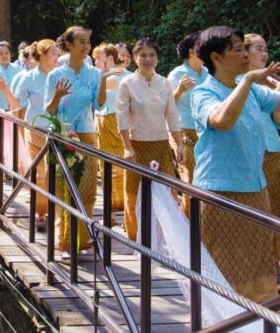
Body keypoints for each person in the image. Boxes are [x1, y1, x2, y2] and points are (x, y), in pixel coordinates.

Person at [190, 26, 280, 302]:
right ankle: (224, 321)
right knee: (226, 263)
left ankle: (256, 319)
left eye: (245, 48)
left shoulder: (253, 92)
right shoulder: (203, 92)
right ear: (216, 58)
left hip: (256, 189)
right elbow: (221, 121)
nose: (245, 55)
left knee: (257, 262)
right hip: (221, 192)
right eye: (237, 50)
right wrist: (246, 82)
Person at [44, 26, 109, 259]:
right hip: (64, 134)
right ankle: (66, 241)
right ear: (69, 45)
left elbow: (100, 105)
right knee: (65, 189)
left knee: (89, 189)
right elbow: (49, 111)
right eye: (81, 42)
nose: (86, 47)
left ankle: (83, 238)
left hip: (88, 134)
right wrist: (58, 96)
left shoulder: (93, 74)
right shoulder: (55, 75)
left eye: (88, 42)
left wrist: (102, 79)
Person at [116, 39, 186, 240]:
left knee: (167, 192)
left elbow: (172, 114)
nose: (147, 59)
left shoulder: (164, 83)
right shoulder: (127, 83)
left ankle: (164, 236)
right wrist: (127, 147)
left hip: (161, 144)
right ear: (135, 58)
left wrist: (179, 143)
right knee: (134, 192)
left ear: (157, 57)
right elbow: (120, 116)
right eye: (143, 55)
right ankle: (136, 236)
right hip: (136, 144)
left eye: (151, 55)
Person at [244, 33, 280, 265]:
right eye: (258, 49)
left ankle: (271, 267)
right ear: (245, 52)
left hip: (270, 150)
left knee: (274, 208)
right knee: (250, 210)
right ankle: (251, 266)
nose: (264, 54)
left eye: (265, 49)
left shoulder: (273, 85)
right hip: (245, 153)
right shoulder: (235, 81)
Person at [14, 40, 58, 222]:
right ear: (42, 56)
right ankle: (40, 211)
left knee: (56, 171)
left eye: (57, 52)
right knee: (39, 171)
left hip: (57, 129)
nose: (57, 56)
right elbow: (17, 103)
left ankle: (58, 211)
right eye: (54, 53)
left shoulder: (61, 74)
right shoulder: (29, 77)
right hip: (35, 128)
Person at [167, 32, 205, 187]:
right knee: (189, 179)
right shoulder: (177, 74)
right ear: (191, 51)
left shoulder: (209, 73)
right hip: (183, 131)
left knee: (203, 180)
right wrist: (180, 90)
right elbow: (166, 105)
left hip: (205, 132)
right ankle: (188, 212)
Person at [93, 43, 126, 213]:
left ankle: (119, 206)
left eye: (98, 58)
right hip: (101, 120)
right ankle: (112, 206)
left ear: (110, 59)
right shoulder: (105, 76)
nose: (96, 62)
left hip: (115, 121)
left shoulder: (119, 76)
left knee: (117, 165)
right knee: (106, 165)